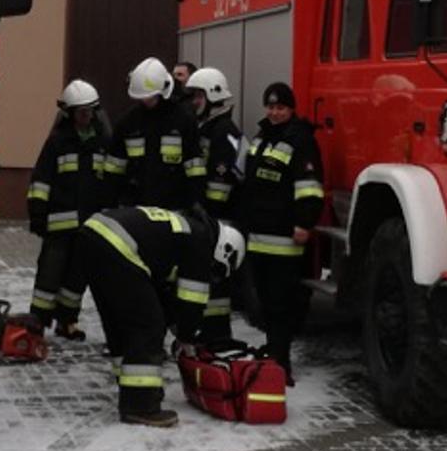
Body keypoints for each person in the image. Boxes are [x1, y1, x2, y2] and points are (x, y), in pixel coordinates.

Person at [71, 204, 245, 427]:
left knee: (118, 321)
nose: (210, 275)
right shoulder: (201, 242)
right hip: (118, 244)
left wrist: (173, 322)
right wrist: (186, 336)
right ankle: (141, 405)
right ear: (224, 251)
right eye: (216, 270)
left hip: (92, 235)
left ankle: (133, 387)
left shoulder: (188, 230)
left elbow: (159, 291)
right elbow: (191, 303)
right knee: (148, 326)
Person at [236, 82, 324, 383]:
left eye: (280, 108)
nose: (274, 113)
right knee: (263, 301)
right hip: (258, 236)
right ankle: (272, 350)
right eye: (271, 107)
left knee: (281, 303)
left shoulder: (301, 140)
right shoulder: (262, 136)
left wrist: (305, 222)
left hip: (285, 238)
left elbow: (310, 187)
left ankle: (281, 361)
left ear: (291, 109)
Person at [24, 80, 116, 340]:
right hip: (59, 226)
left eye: (90, 111)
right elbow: (41, 181)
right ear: (69, 113)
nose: (86, 116)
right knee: (49, 275)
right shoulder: (57, 142)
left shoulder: (103, 142)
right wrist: (37, 214)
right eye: (81, 112)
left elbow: (111, 181)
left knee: (77, 279)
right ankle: (37, 322)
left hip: (90, 226)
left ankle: (67, 321)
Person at [185, 67, 245, 341]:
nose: (195, 101)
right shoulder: (209, 127)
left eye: (199, 96)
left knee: (217, 280)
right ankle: (210, 332)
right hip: (209, 215)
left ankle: (218, 334)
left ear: (213, 95)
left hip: (219, 218)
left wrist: (207, 213)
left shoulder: (224, 131)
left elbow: (221, 181)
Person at [107, 58, 206, 213]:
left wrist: (195, 203)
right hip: (136, 208)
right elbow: (114, 169)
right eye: (142, 96)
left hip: (175, 208)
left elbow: (195, 167)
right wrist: (112, 203)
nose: (145, 100)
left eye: (150, 96)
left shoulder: (183, 120)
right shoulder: (127, 123)